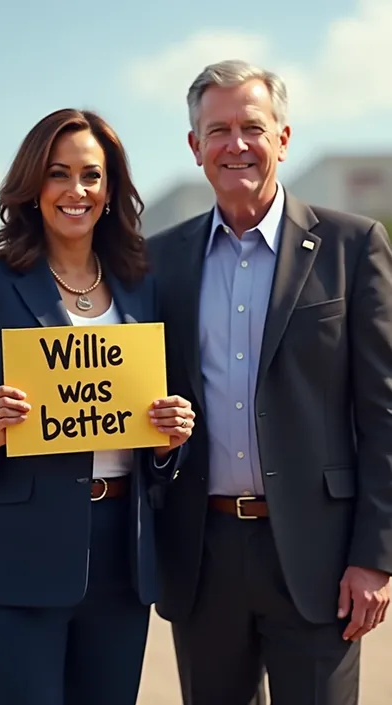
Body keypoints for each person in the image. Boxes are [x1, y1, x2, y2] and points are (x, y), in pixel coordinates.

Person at [0, 108, 194, 705]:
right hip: (11, 562)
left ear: (110, 188)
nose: (77, 191)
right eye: (58, 174)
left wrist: (171, 439)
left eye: (91, 176)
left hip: (121, 561)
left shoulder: (143, 286)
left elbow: (151, 423)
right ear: (32, 186)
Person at [147, 59, 392, 705]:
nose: (236, 145)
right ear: (195, 146)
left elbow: (384, 411)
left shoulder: (353, 245)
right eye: (218, 129)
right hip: (202, 555)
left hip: (322, 558)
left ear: (282, 138)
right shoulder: (159, 261)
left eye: (252, 127)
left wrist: (377, 554)